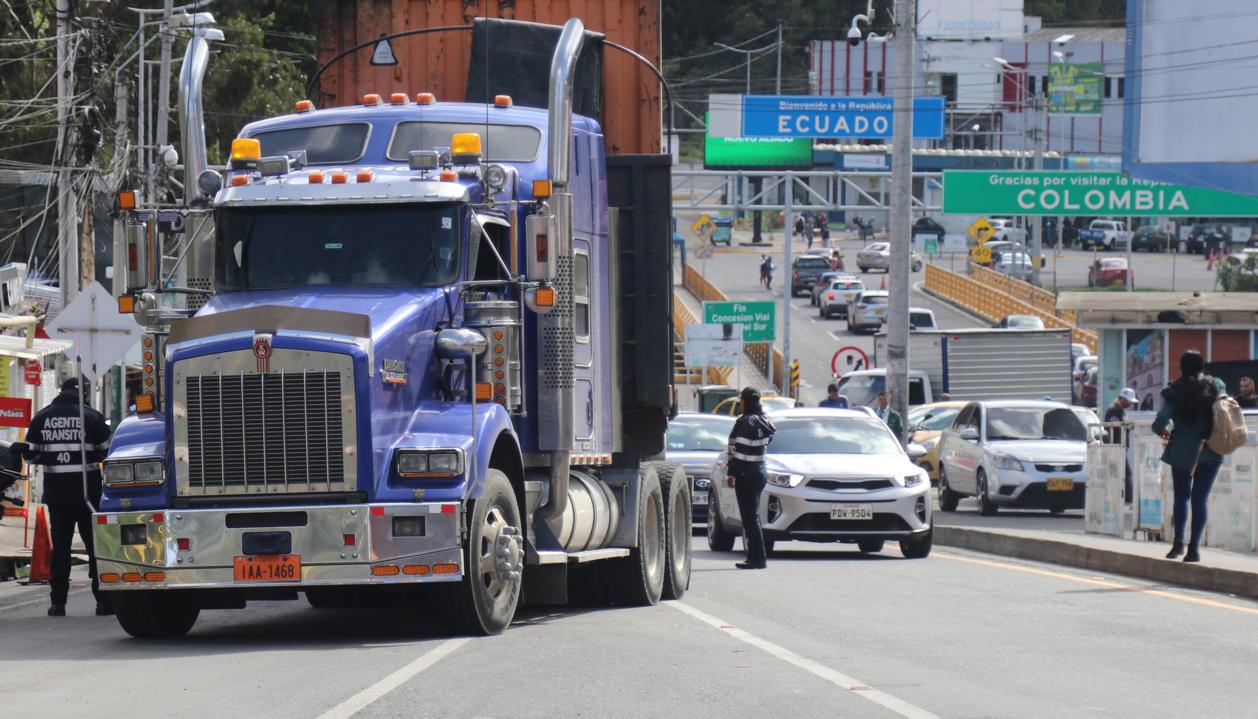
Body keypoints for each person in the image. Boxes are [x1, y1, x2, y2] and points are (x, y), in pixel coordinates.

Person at [20, 378, 112, 616]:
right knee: (95, 548)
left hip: (57, 495)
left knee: (60, 549)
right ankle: (103, 602)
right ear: (83, 393)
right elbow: (108, 452)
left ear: (62, 391)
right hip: (88, 495)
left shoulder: (41, 417)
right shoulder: (92, 417)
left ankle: (58, 603)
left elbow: (31, 455)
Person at [1152, 351, 1221, 564]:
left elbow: (1159, 423)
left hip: (1181, 452)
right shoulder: (1215, 386)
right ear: (1202, 366)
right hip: (1210, 449)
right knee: (1200, 499)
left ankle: (1178, 543)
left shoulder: (1173, 392)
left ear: (1180, 367)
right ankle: (1194, 549)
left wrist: (1167, 436)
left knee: (1182, 496)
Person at [726, 387, 776, 570]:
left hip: (746, 474)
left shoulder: (747, 422)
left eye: (741, 400)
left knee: (749, 518)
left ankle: (757, 558)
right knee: (752, 517)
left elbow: (740, 452)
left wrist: (732, 473)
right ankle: (756, 557)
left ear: (744, 401)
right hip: (759, 471)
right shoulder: (763, 420)